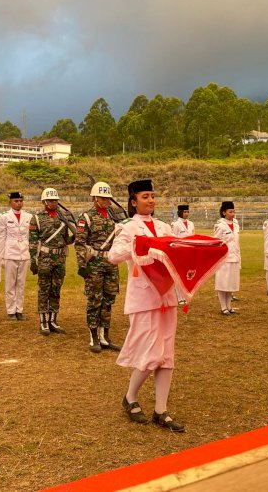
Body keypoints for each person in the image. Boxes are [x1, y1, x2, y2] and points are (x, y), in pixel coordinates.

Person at [108, 178, 184, 432]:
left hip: (166, 296)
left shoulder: (164, 227)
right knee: (151, 353)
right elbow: (112, 256)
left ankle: (161, 410)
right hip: (143, 298)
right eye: (145, 197)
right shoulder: (127, 227)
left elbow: (178, 252)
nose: (150, 201)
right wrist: (138, 245)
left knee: (167, 355)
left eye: (152, 196)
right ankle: (130, 397)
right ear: (133, 202)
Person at [75, 182, 121, 353]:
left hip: (111, 263)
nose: (106, 201)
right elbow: (79, 243)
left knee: (109, 300)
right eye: (103, 198)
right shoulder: (86, 217)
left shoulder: (114, 217)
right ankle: (94, 336)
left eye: (108, 198)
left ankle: (105, 336)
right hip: (94, 264)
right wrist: (82, 265)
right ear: (95, 198)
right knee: (95, 300)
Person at [29, 187, 74, 335]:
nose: (54, 202)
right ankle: (43, 321)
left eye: (55, 200)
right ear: (44, 201)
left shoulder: (63, 217)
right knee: (44, 290)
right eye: (50, 200)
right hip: (45, 259)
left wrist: (75, 237)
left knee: (56, 290)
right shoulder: (37, 218)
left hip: (60, 258)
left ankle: (53, 320)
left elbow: (66, 239)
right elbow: (33, 241)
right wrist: (33, 260)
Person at [0, 192, 32, 321]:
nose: (19, 203)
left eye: (20, 201)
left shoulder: (28, 216)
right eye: (16, 201)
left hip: (24, 253)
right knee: (10, 284)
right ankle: (11, 310)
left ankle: (19, 309)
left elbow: (29, 237)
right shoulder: (4, 217)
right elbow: (1, 237)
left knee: (21, 284)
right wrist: (1, 256)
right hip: (10, 253)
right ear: (10, 202)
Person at [214, 201, 240, 315]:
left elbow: (237, 243)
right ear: (224, 212)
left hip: (234, 257)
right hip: (224, 258)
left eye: (234, 211)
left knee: (231, 283)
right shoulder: (220, 225)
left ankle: (229, 306)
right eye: (230, 211)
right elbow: (216, 241)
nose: (233, 214)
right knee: (222, 283)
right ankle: (223, 306)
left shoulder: (236, 224)